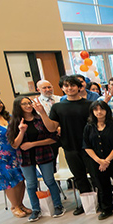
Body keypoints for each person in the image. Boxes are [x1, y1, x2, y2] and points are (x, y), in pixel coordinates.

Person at [35, 75, 94, 215]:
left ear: (79, 87)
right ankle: (86, 204)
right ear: (62, 88)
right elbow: (51, 128)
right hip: (70, 146)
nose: (69, 88)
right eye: (66, 86)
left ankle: (103, 202)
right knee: (79, 177)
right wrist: (42, 113)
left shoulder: (89, 104)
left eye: (72, 85)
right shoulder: (58, 107)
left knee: (95, 175)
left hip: (90, 147)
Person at [9, 95, 64, 221]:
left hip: (44, 154)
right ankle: (36, 209)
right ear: (18, 107)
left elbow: (53, 139)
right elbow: (15, 144)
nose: (28, 106)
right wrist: (22, 131)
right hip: (25, 158)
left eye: (29, 103)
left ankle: (58, 205)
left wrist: (33, 144)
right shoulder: (15, 122)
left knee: (49, 180)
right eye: (24, 104)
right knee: (31, 184)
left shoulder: (40, 119)